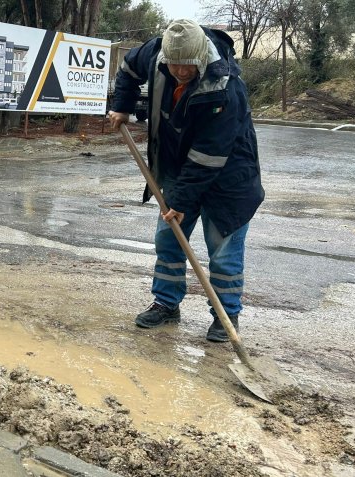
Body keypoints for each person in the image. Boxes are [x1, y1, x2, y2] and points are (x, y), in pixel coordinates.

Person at [108, 19, 264, 342]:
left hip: (228, 175)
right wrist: (121, 106)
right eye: (173, 63)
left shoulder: (225, 87)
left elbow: (208, 157)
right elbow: (126, 68)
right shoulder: (157, 52)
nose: (179, 70)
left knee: (223, 249)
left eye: (187, 65)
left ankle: (226, 316)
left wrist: (179, 202)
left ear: (201, 56)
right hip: (180, 165)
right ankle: (166, 303)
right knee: (168, 238)